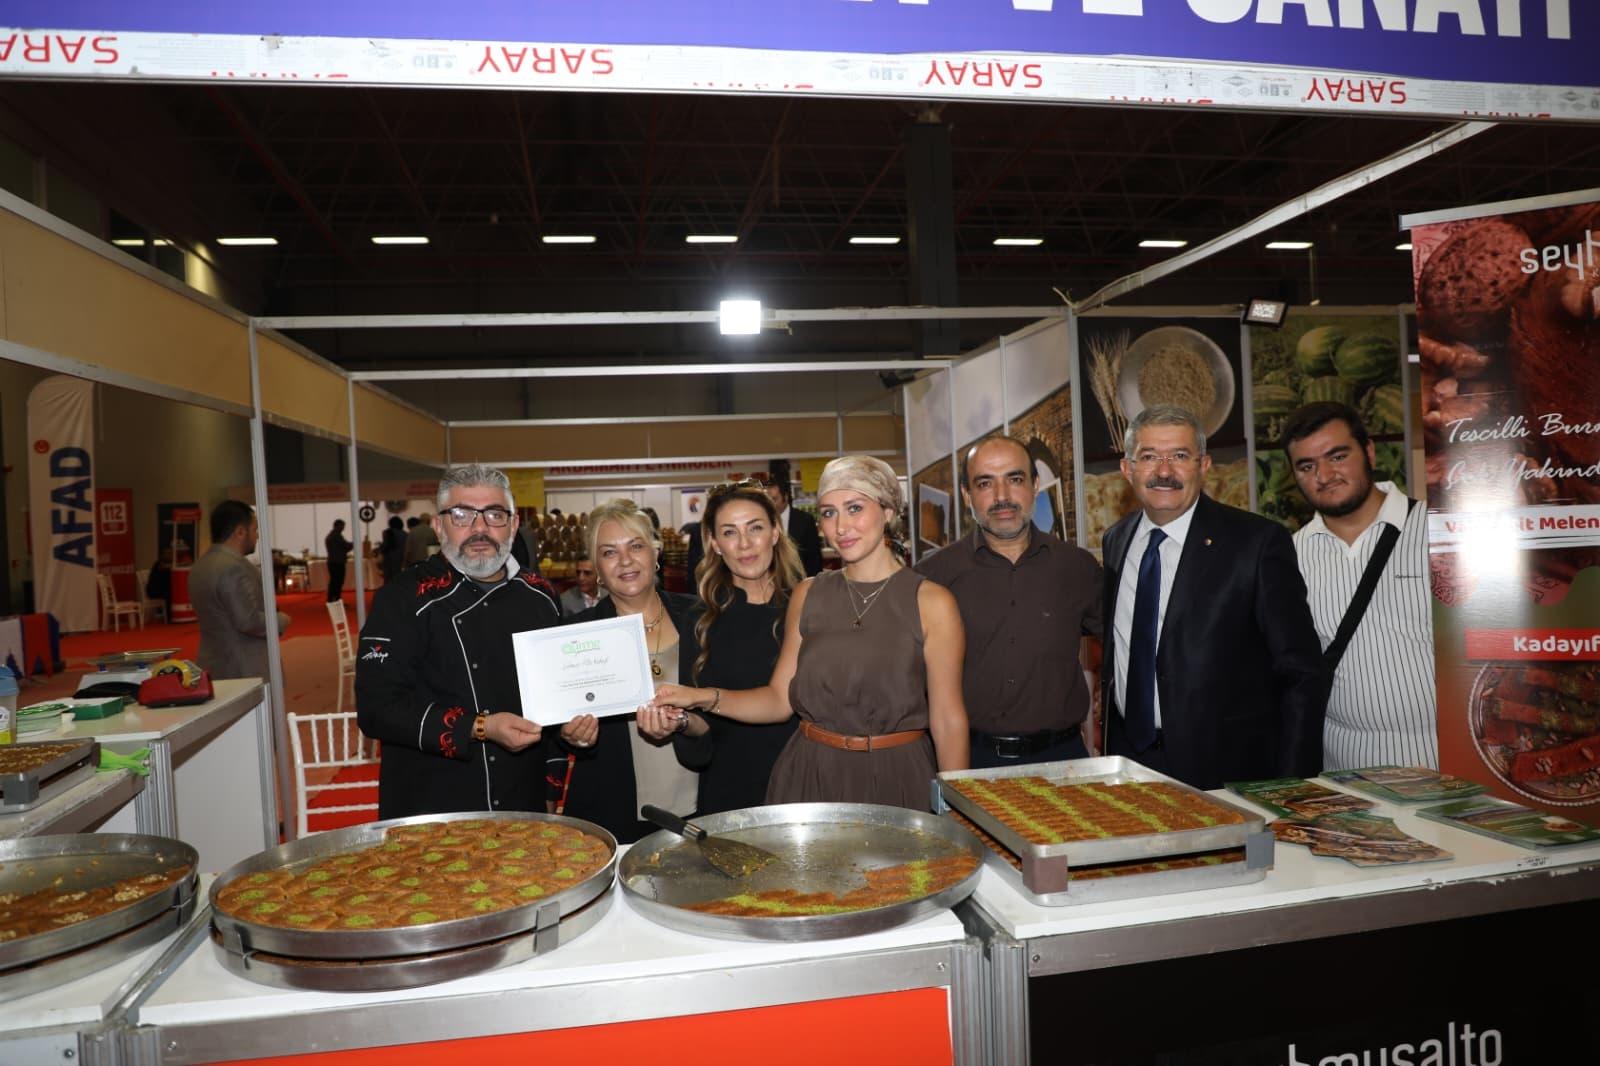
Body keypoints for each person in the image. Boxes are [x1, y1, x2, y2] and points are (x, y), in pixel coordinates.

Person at [653, 456, 969, 810]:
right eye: (829, 513)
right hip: (811, 773)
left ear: (889, 511)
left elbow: (948, 719)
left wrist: (958, 810)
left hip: (897, 774)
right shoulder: (809, 594)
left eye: (854, 508)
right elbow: (778, 701)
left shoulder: (932, 602)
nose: (841, 526)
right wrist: (700, 697)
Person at [1101, 405, 1327, 789]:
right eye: (1149, 456)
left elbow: (1302, 674)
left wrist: (1292, 785)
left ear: (1204, 466)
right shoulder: (1116, 541)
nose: (1164, 471)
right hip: (1129, 764)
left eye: (1180, 455)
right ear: (1127, 469)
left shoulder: (1256, 543)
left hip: (1225, 771)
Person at [355, 464, 559, 819]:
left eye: (494, 514)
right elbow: (377, 710)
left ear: (513, 525)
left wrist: (551, 788)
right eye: (462, 515)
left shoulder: (541, 596)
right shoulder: (402, 599)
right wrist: (480, 727)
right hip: (432, 807)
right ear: (439, 525)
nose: (479, 529)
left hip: (522, 804)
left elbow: (554, 702)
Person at [917, 435, 1104, 767]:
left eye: (1015, 479)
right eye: (985, 483)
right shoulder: (932, 577)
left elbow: (1123, 651)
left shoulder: (1078, 568)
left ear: (1035, 485)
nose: (1002, 496)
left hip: (1063, 759)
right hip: (969, 759)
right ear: (967, 495)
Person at [1283, 402, 1436, 770]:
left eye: (1337, 456)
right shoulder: (1288, 556)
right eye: (1307, 466)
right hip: (1344, 768)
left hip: (1446, 758)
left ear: (1369, 451)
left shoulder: (1438, 531)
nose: (1324, 475)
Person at [638, 481, 805, 814]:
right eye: (730, 532)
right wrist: (678, 722)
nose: (744, 544)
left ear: (775, 532)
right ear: (715, 543)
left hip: (801, 779)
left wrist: (699, 698)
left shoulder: (807, 606)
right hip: (731, 786)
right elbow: (703, 727)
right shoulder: (699, 619)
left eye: (755, 528)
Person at [551, 499, 701, 843]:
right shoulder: (576, 635)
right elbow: (560, 727)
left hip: (703, 797)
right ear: (597, 568)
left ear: (655, 553)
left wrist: (686, 721)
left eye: (635, 546)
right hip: (614, 805)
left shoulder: (700, 618)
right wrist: (573, 736)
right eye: (609, 552)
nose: (625, 560)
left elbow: (723, 709)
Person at [190, 500, 291, 681]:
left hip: (214, 663)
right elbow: (248, 621)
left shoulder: (200, 565)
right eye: (255, 530)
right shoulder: (233, 568)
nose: (257, 536)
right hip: (245, 669)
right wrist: (280, 620)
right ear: (240, 532)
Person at [766, 463, 824, 576]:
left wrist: (812, 583)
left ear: (785, 497)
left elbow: (814, 558)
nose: (771, 504)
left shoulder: (805, 520)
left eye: (774, 499)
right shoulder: (764, 521)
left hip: (801, 578)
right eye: (768, 499)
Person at [324, 519, 353, 603]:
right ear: (338, 526)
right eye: (342, 526)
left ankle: (332, 599)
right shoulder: (337, 536)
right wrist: (354, 544)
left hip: (333, 561)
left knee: (334, 581)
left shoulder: (331, 535)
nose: (343, 528)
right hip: (338, 562)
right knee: (338, 582)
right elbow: (346, 546)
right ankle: (336, 599)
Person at [379, 516, 406, 582]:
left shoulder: (387, 532)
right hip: (400, 558)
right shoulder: (405, 534)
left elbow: (385, 545)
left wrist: (380, 548)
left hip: (388, 558)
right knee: (398, 577)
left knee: (388, 578)